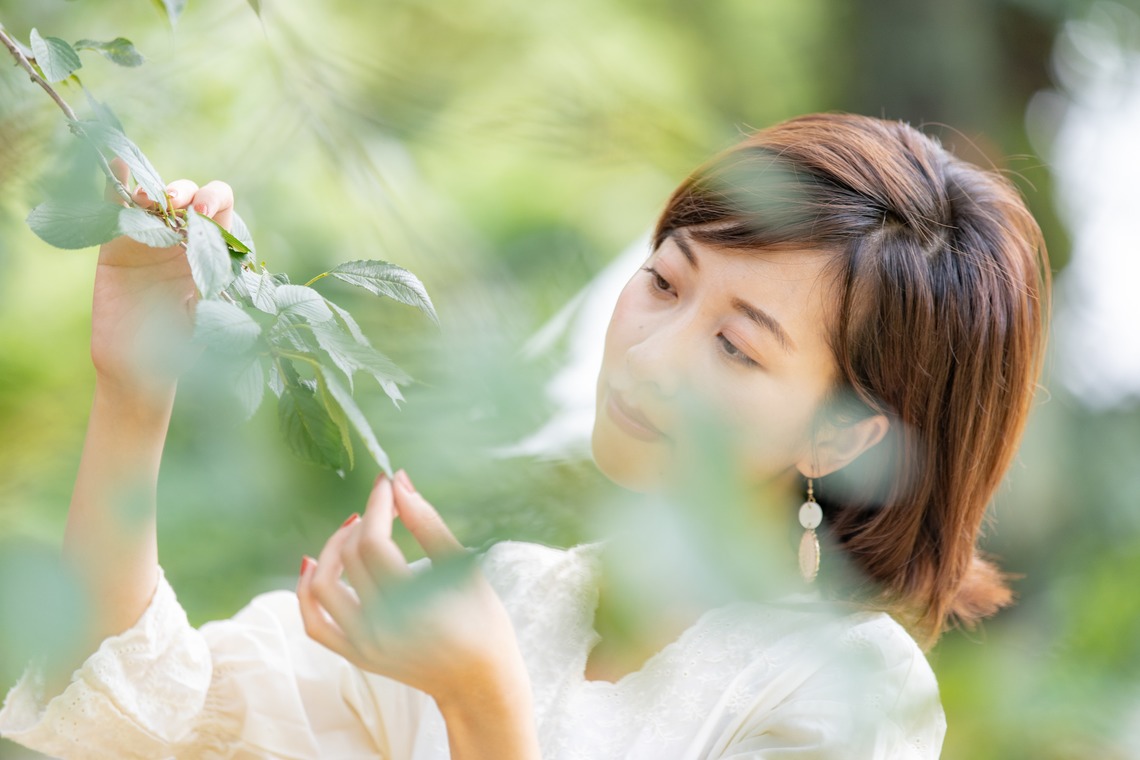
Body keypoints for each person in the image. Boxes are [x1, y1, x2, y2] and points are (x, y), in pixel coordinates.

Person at [0, 113, 1049, 759]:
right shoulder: (506, 598)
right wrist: (136, 386)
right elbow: (135, 713)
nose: (650, 354)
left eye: (737, 346)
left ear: (842, 434)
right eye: (664, 280)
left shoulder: (844, 691)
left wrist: (483, 704)